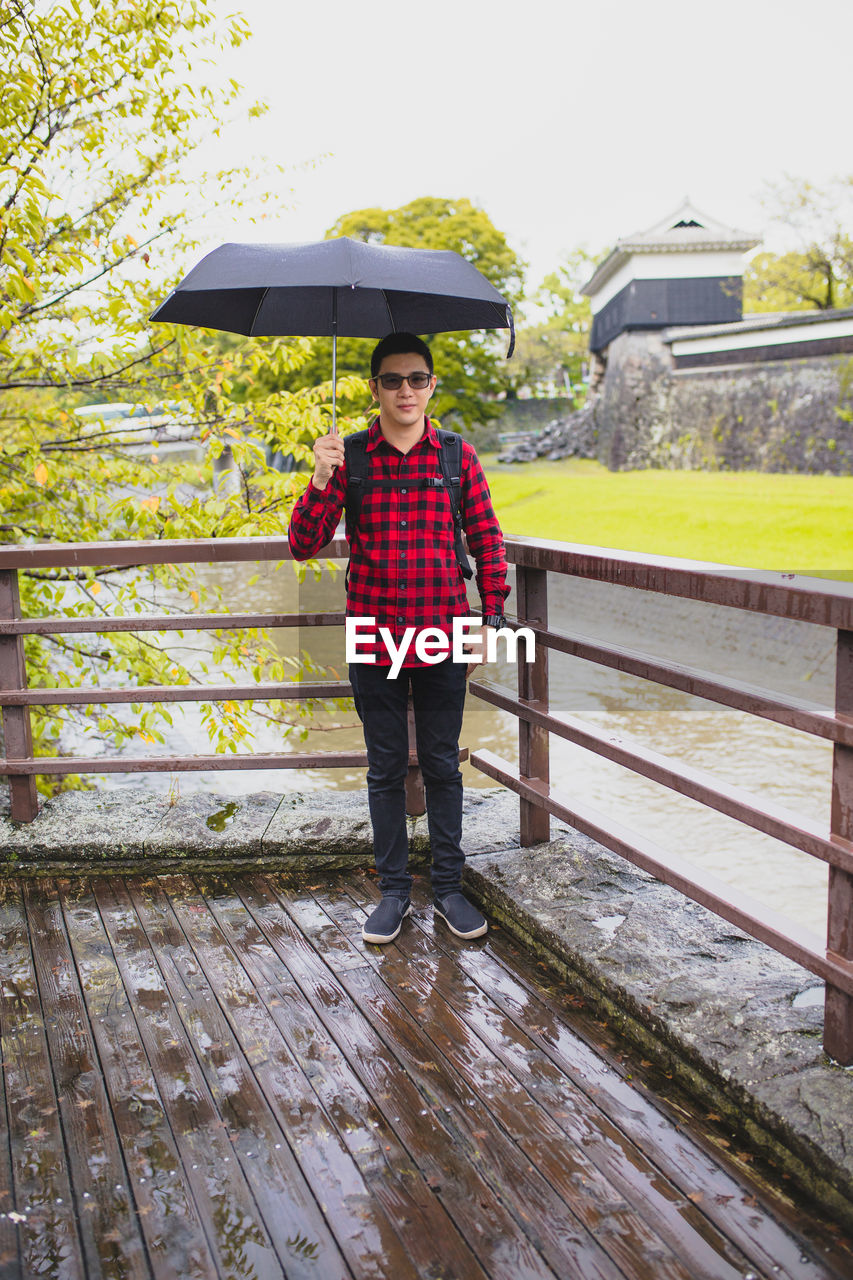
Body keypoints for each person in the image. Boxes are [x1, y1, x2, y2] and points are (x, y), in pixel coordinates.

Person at [288, 332, 509, 945]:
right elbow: (304, 543)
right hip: (375, 636)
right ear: (374, 388)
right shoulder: (350, 458)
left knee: (442, 764)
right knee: (384, 768)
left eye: (417, 378)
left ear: (431, 385)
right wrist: (319, 476)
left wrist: (489, 620)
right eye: (393, 380)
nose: (405, 390)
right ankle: (392, 893)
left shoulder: (456, 457)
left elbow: (489, 543)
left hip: (442, 633)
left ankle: (447, 889)